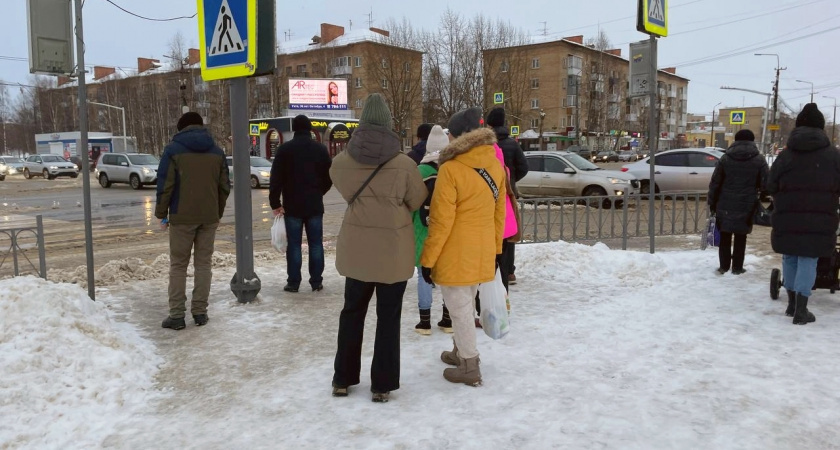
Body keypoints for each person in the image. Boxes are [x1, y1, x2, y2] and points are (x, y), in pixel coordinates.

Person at [330, 94, 427, 402]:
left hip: (356, 250)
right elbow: (417, 200)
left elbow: (339, 182)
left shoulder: (342, 161)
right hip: (392, 251)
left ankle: (342, 379)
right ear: (388, 125)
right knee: (388, 317)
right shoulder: (404, 164)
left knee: (351, 312)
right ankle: (382, 385)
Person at [420, 107, 506, 387]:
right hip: (481, 249)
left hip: (455, 251)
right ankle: (460, 351)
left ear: (457, 137)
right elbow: (499, 215)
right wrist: (495, 251)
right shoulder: (494, 165)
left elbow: (442, 222)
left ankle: (469, 365)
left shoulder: (451, 169)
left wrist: (428, 259)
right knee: (465, 304)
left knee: (459, 308)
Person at [155, 112, 230, 330]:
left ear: (181, 129)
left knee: (178, 265)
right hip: (208, 216)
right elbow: (224, 186)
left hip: (181, 216)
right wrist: (216, 211)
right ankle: (200, 312)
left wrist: (162, 213)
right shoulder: (217, 152)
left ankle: (177, 316)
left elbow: (165, 185)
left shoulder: (173, 151)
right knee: (203, 264)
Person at [768, 103, 840, 325]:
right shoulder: (833, 156)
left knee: (790, 256)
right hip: (821, 216)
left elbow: (770, 184)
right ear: (821, 128)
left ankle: (790, 304)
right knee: (809, 258)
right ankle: (801, 309)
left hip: (787, 215)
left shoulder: (786, 155)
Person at [269, 114, 333, 293]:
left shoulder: (284, 150)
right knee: (316, 244)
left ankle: (293, 282)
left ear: (295, 129)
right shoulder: (320, 149)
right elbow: (329, 177)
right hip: (314, 205)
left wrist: (275, 202)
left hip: (292, 205)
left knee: (294, 244)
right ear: (310, 129)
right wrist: (320, 192)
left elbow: (276, 178)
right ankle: (316, 281)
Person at [707, 129, 769, 275]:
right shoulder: (759, 159)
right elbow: (766, 184)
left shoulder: (725, 158)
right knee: (741, 236)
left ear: (735, 140)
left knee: (725, 235)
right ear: (752, 141)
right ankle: (737, 268)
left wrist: (712, 202)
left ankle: (724, 267)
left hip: (724, 203)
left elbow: (715, 183)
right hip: (747, 204)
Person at [411, 125, 451, 335]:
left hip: (421, 228)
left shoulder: (419, 171)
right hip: (446, 229)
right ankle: (447, 320)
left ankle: (424, 323)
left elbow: (410, 202)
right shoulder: (452, 169)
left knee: (422, 275)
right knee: (446, 275)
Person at [486, 107, 528, 285]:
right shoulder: (512, 144)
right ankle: (509, 271)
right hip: (508, 194)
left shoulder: (487, 144)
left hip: (489, 193)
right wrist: (510, 181)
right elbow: (524, 167)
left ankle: (492, 268)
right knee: (509, 231)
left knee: (492, 230)